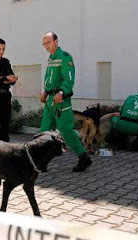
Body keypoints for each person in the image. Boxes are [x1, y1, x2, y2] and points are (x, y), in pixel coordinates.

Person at [39, 32, 92, 172]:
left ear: (56, 41)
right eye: (44, 43)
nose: (46, 46)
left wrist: (61, 92)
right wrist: (45, 92)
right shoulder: (51, 58)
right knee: (44, 131)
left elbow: (69, 80)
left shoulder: (64, 57)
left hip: (61, 102)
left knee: (66, 131)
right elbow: (51, 80)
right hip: (50, 101)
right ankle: (41, 161)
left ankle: (83, 157)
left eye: (48, 42)